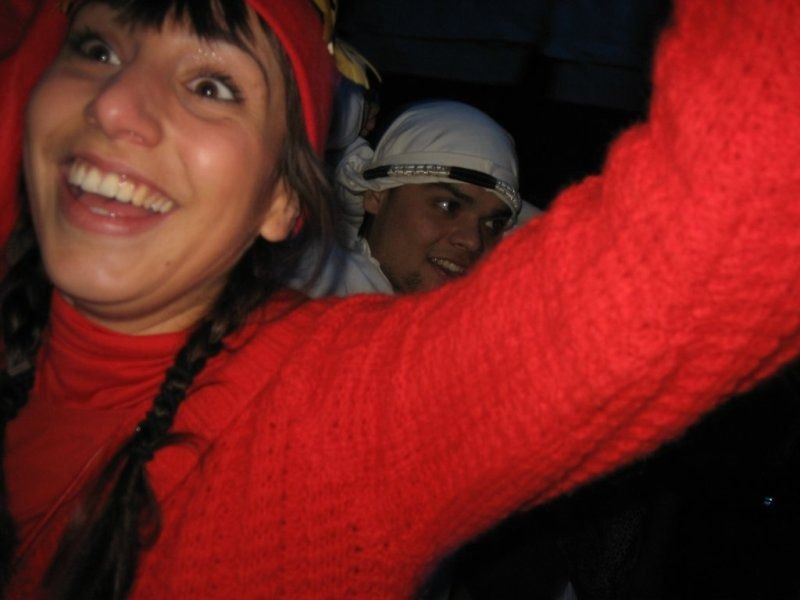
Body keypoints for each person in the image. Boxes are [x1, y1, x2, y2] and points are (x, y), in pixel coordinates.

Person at [1, 1, 799, 600]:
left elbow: (740, 215)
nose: (116, 103)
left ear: (281, 200)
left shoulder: (329, 411)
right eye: (97, 49)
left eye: (209, 85)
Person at [291, 99, 540, 297]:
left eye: (493, 224)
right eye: (447, 206)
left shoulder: (475, 328)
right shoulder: (313, 286)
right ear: (376, 195)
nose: (473, 241)